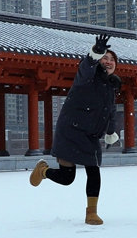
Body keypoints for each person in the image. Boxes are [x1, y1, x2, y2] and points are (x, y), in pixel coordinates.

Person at [29, 34, 121, 225]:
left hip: (91, 136)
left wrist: (111, 132)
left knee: (93, 170)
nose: (109, 61)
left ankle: (91, 213)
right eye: (105, 58)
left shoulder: (111, 88)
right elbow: (86, 67)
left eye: (112, 60)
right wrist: (96, 53)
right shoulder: (87, 77)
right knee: (66, 178)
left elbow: (111, 112)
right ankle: (43, 170)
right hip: (71, 130)